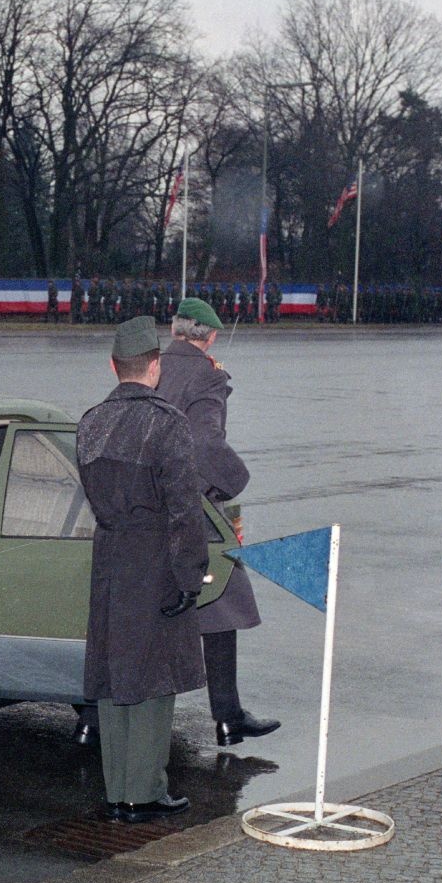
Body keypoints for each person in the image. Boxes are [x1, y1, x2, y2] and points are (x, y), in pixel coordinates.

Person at [76, 315, 208, 823]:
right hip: (155, 559)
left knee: (113, 675)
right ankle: (146, 792)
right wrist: (189, 575)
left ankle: (116, 791)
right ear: (154, 367)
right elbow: (184, 510)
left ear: (115, 367)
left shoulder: (91, 422)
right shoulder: (168, 423)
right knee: (155, 678)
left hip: (110, 557)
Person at [158, 297, 280, 746]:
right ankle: (228, 715)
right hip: (192, 506)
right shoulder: (207, 374)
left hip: (148, 502)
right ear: (208, 336)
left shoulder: (151, 364)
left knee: (149, 607)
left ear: (173, 331)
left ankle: (96, 717)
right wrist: (235, 482)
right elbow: (205, 445)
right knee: (223, 596)